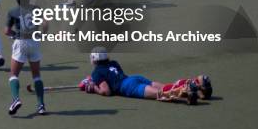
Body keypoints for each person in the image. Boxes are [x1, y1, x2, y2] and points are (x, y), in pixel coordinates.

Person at [80, 48, 213, 105]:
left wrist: (94, 89)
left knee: (161, 94)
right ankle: (195, 83)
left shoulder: (96, 72)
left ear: (93, 59)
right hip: (134, 78)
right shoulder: (113, 63)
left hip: (128, 87)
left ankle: (186, 92)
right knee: (167, 86)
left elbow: (106, 91)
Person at [4, 0, 48, 115]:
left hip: (21, 42)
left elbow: (6, 31)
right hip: (34, 42)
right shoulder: (36, 9)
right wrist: (42, 34)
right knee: (36, 75)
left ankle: (16, 99)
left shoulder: (13, 12)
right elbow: (45, 23)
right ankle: (41, 106)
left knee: (13, 75)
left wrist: (14, 34)